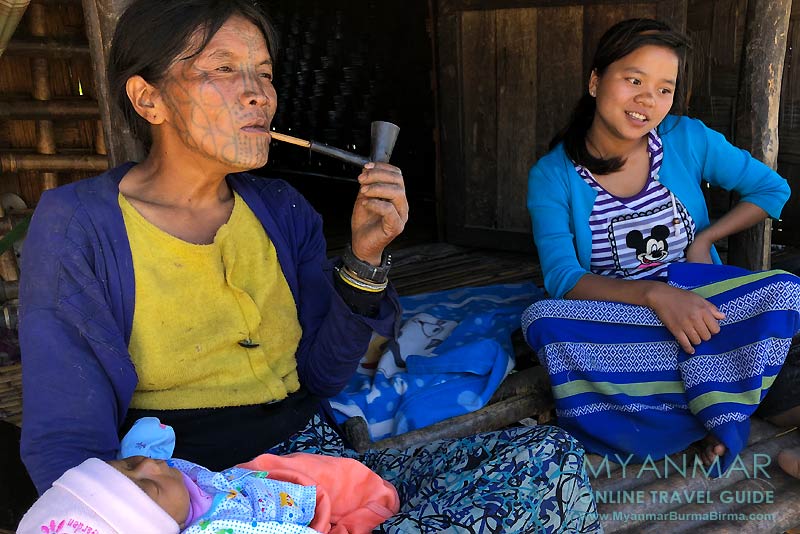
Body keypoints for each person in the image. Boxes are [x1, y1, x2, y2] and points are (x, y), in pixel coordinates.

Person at [18, 0, 601, 531]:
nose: (258, 95)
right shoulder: (80, 224)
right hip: (188, 492)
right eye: (223, 69)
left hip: (310, 466)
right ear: (148, 98)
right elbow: (67, 439)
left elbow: (321, 377)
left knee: (549, 459)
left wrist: (366, 256)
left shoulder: (280, 209)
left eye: (264, 74)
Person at [522, 18, 800, 477]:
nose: (648, 100)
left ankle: (700, 403)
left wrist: (705, 239)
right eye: (633, 80)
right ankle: (718, 404)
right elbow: (563, 278)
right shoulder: (552, 176)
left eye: (663, 89)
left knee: (785, 289)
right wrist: (656, 295)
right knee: (543, 319)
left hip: (703, 313)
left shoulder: (686, 139)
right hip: (630, 324)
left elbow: (771, 191)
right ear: (595, 81)